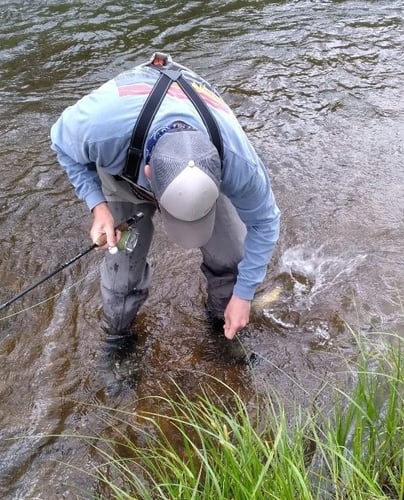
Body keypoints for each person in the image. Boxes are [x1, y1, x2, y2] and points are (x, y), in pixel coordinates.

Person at [50, 52, 280, 359]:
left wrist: (244, 294)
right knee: (123, 278)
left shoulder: (237, 162)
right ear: (148, 175)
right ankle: (119, 342)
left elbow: (265, 223)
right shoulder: (101, 128)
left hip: (192, 131)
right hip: (125, 167)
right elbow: (62, 145)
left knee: (232, 259)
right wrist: (98, 206)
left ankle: (222, 322)